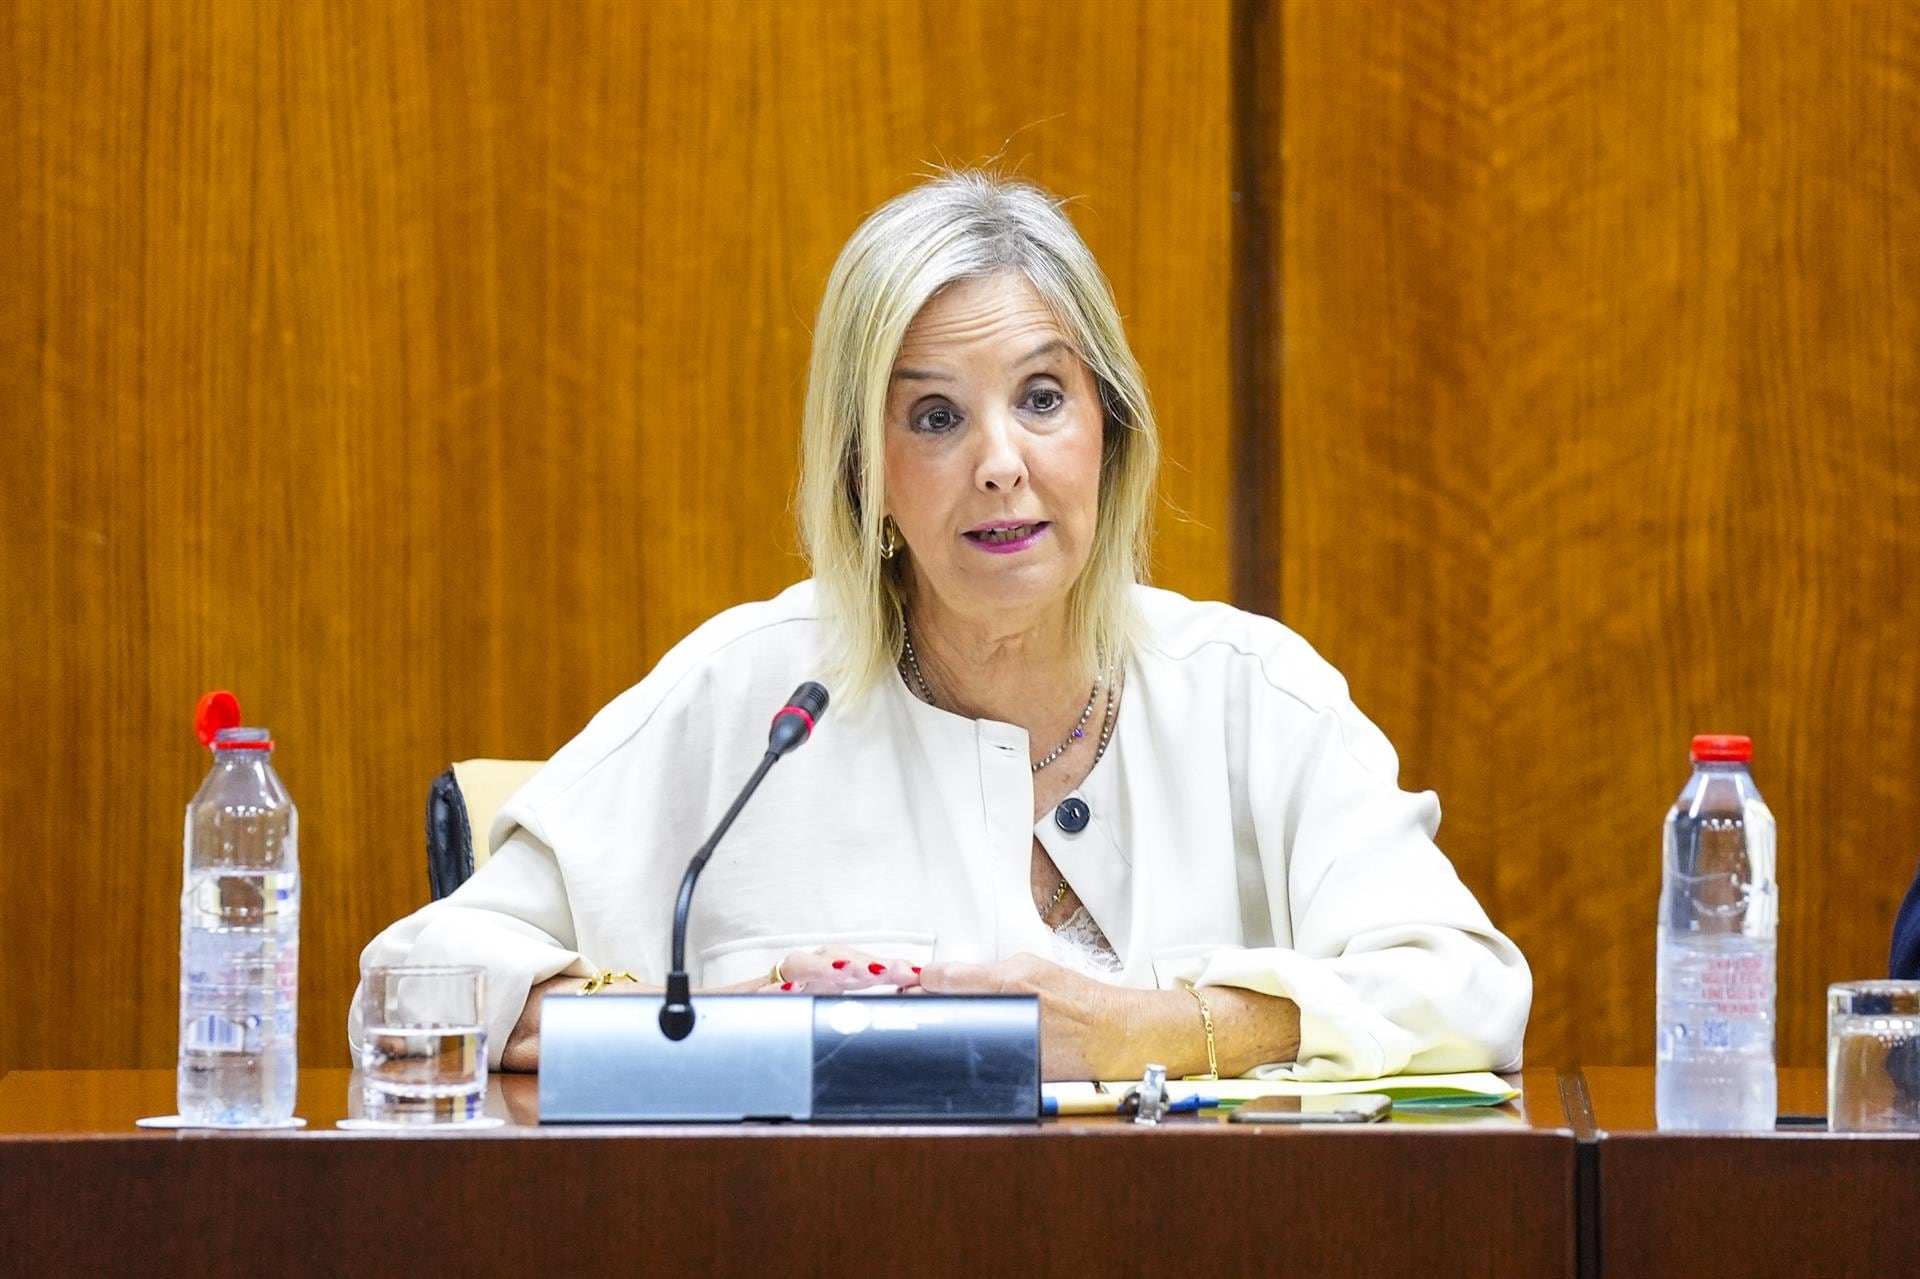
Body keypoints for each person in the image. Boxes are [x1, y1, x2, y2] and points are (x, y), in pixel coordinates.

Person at [353, 171, 1531, 1082]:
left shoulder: (1251, 695)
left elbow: (1471, 996)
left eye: (1040, 397)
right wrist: (704, 1038)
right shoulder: (757, 695)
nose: (1000, 466)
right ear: (867, 474)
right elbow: (412, 985)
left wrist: (1139, 1032)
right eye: (933, 415)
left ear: (1108, 433)